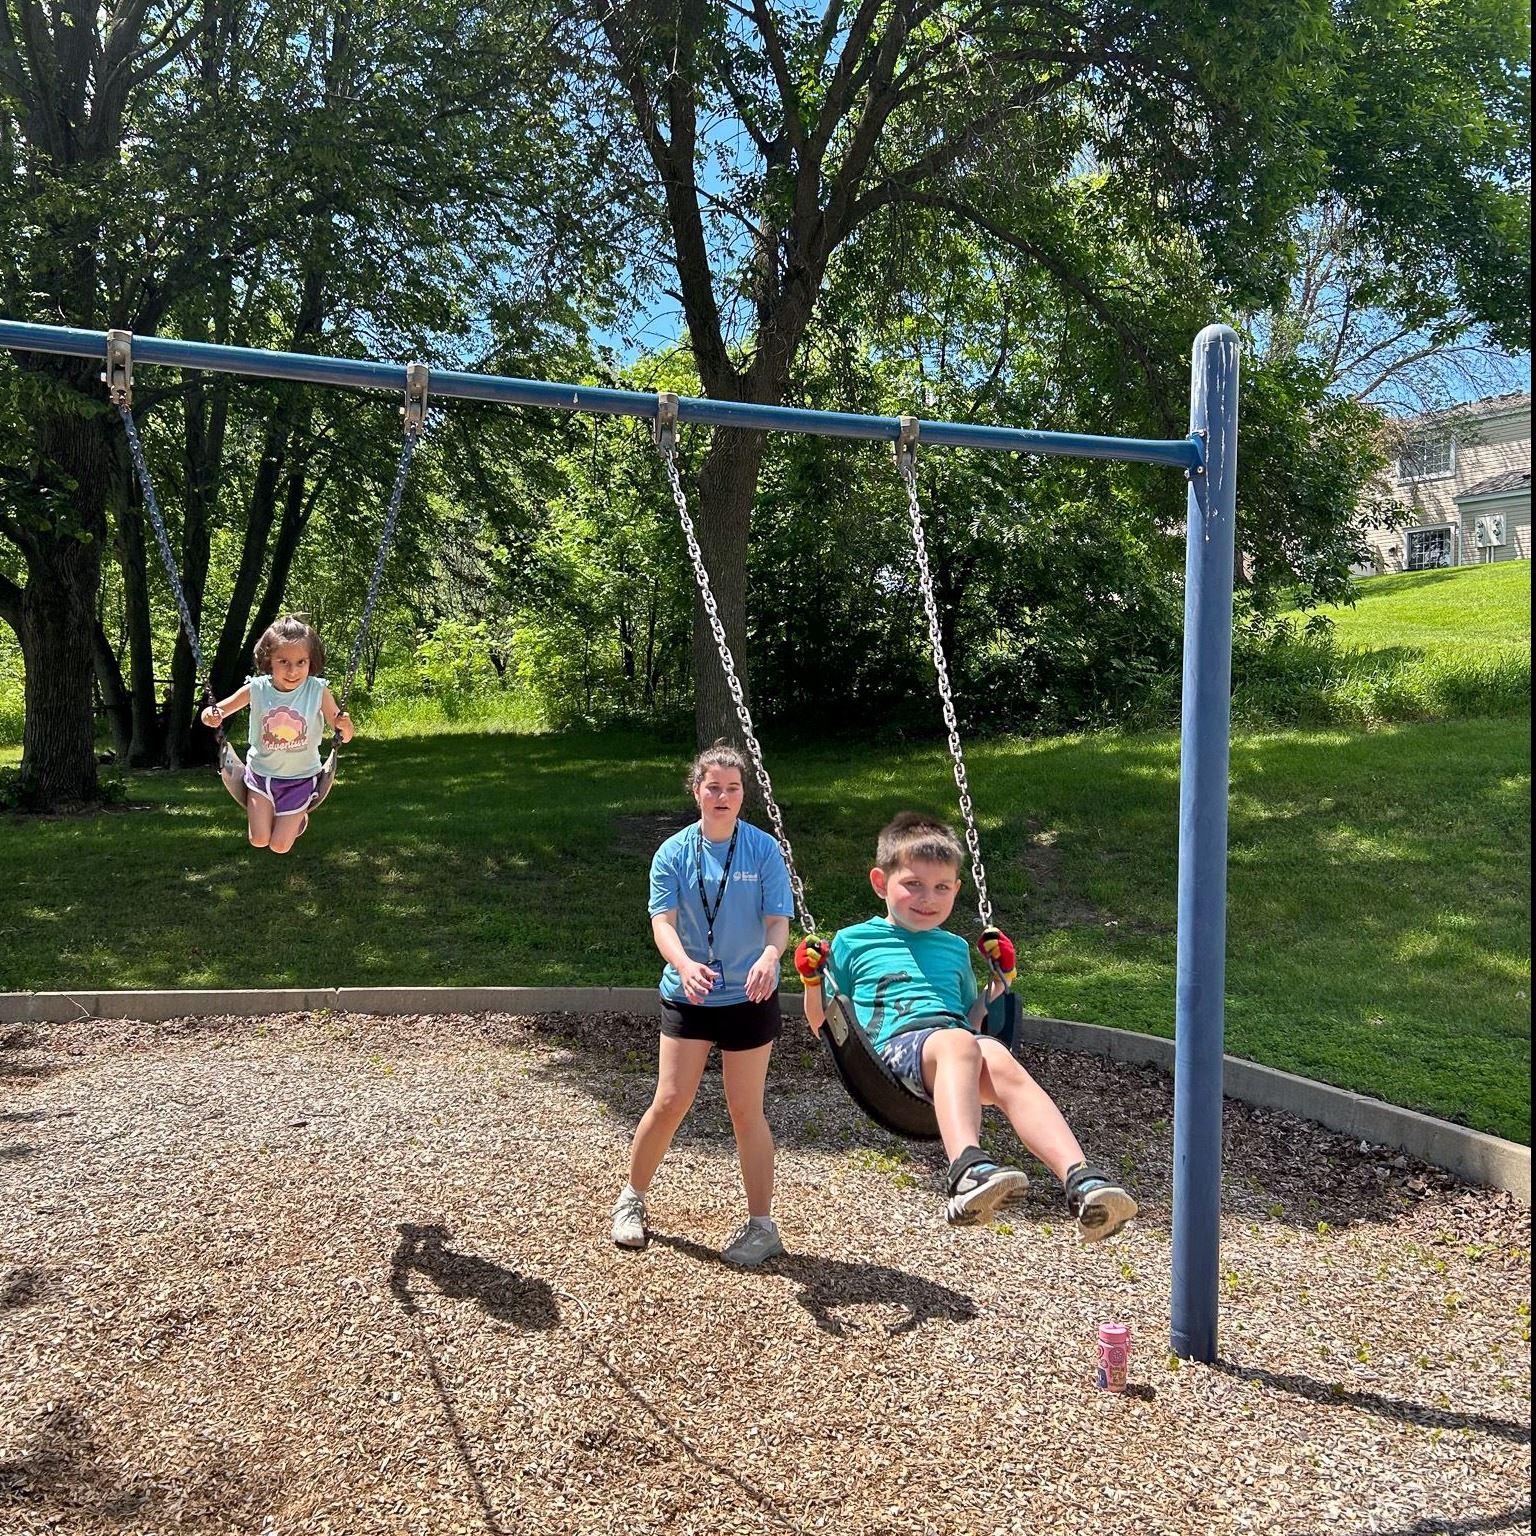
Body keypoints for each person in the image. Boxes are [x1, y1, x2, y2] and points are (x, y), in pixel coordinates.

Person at [797, 811, 1138, 1240]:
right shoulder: (853, 942)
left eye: (942, 887)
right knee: (961, 1044)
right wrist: (813, 982)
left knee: (993, 1052)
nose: (928, 898)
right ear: (881, 883)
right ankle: (965, 1172)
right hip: (892, 1058)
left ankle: (1081, 1180)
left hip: (954, 1047)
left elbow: (969, 1017)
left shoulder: (955, 948)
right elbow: (826, 1025)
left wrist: (1000, 983)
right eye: (913, 885)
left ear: (957, 889)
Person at [612, 742, 795, 1267]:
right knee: (670, 1100)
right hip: (689, 994)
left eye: (732, 788)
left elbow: (777, 924)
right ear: (696, 791)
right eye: (713, 786)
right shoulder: (672, 853)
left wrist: (768, 956)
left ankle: (762, 1225)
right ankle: (631, 1200)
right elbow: (662, 925)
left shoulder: (762, 850)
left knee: (746, 1110)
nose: (722, 796)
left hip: (749, 994)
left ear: (744, 795)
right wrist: (686, 965)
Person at [199, 615, 353, 854]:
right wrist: (210, 715)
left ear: (310, 661)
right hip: (261, 775)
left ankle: (296, 820)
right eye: (283, 661)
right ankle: (280, 816)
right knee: (259, 839)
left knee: (280, 846)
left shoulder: (317, 690)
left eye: (301, 662)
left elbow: (346, 734)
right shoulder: (257, 688)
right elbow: (217, 710)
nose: (293, 671)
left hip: (300, 780)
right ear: (268, 660)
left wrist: (344, 724)